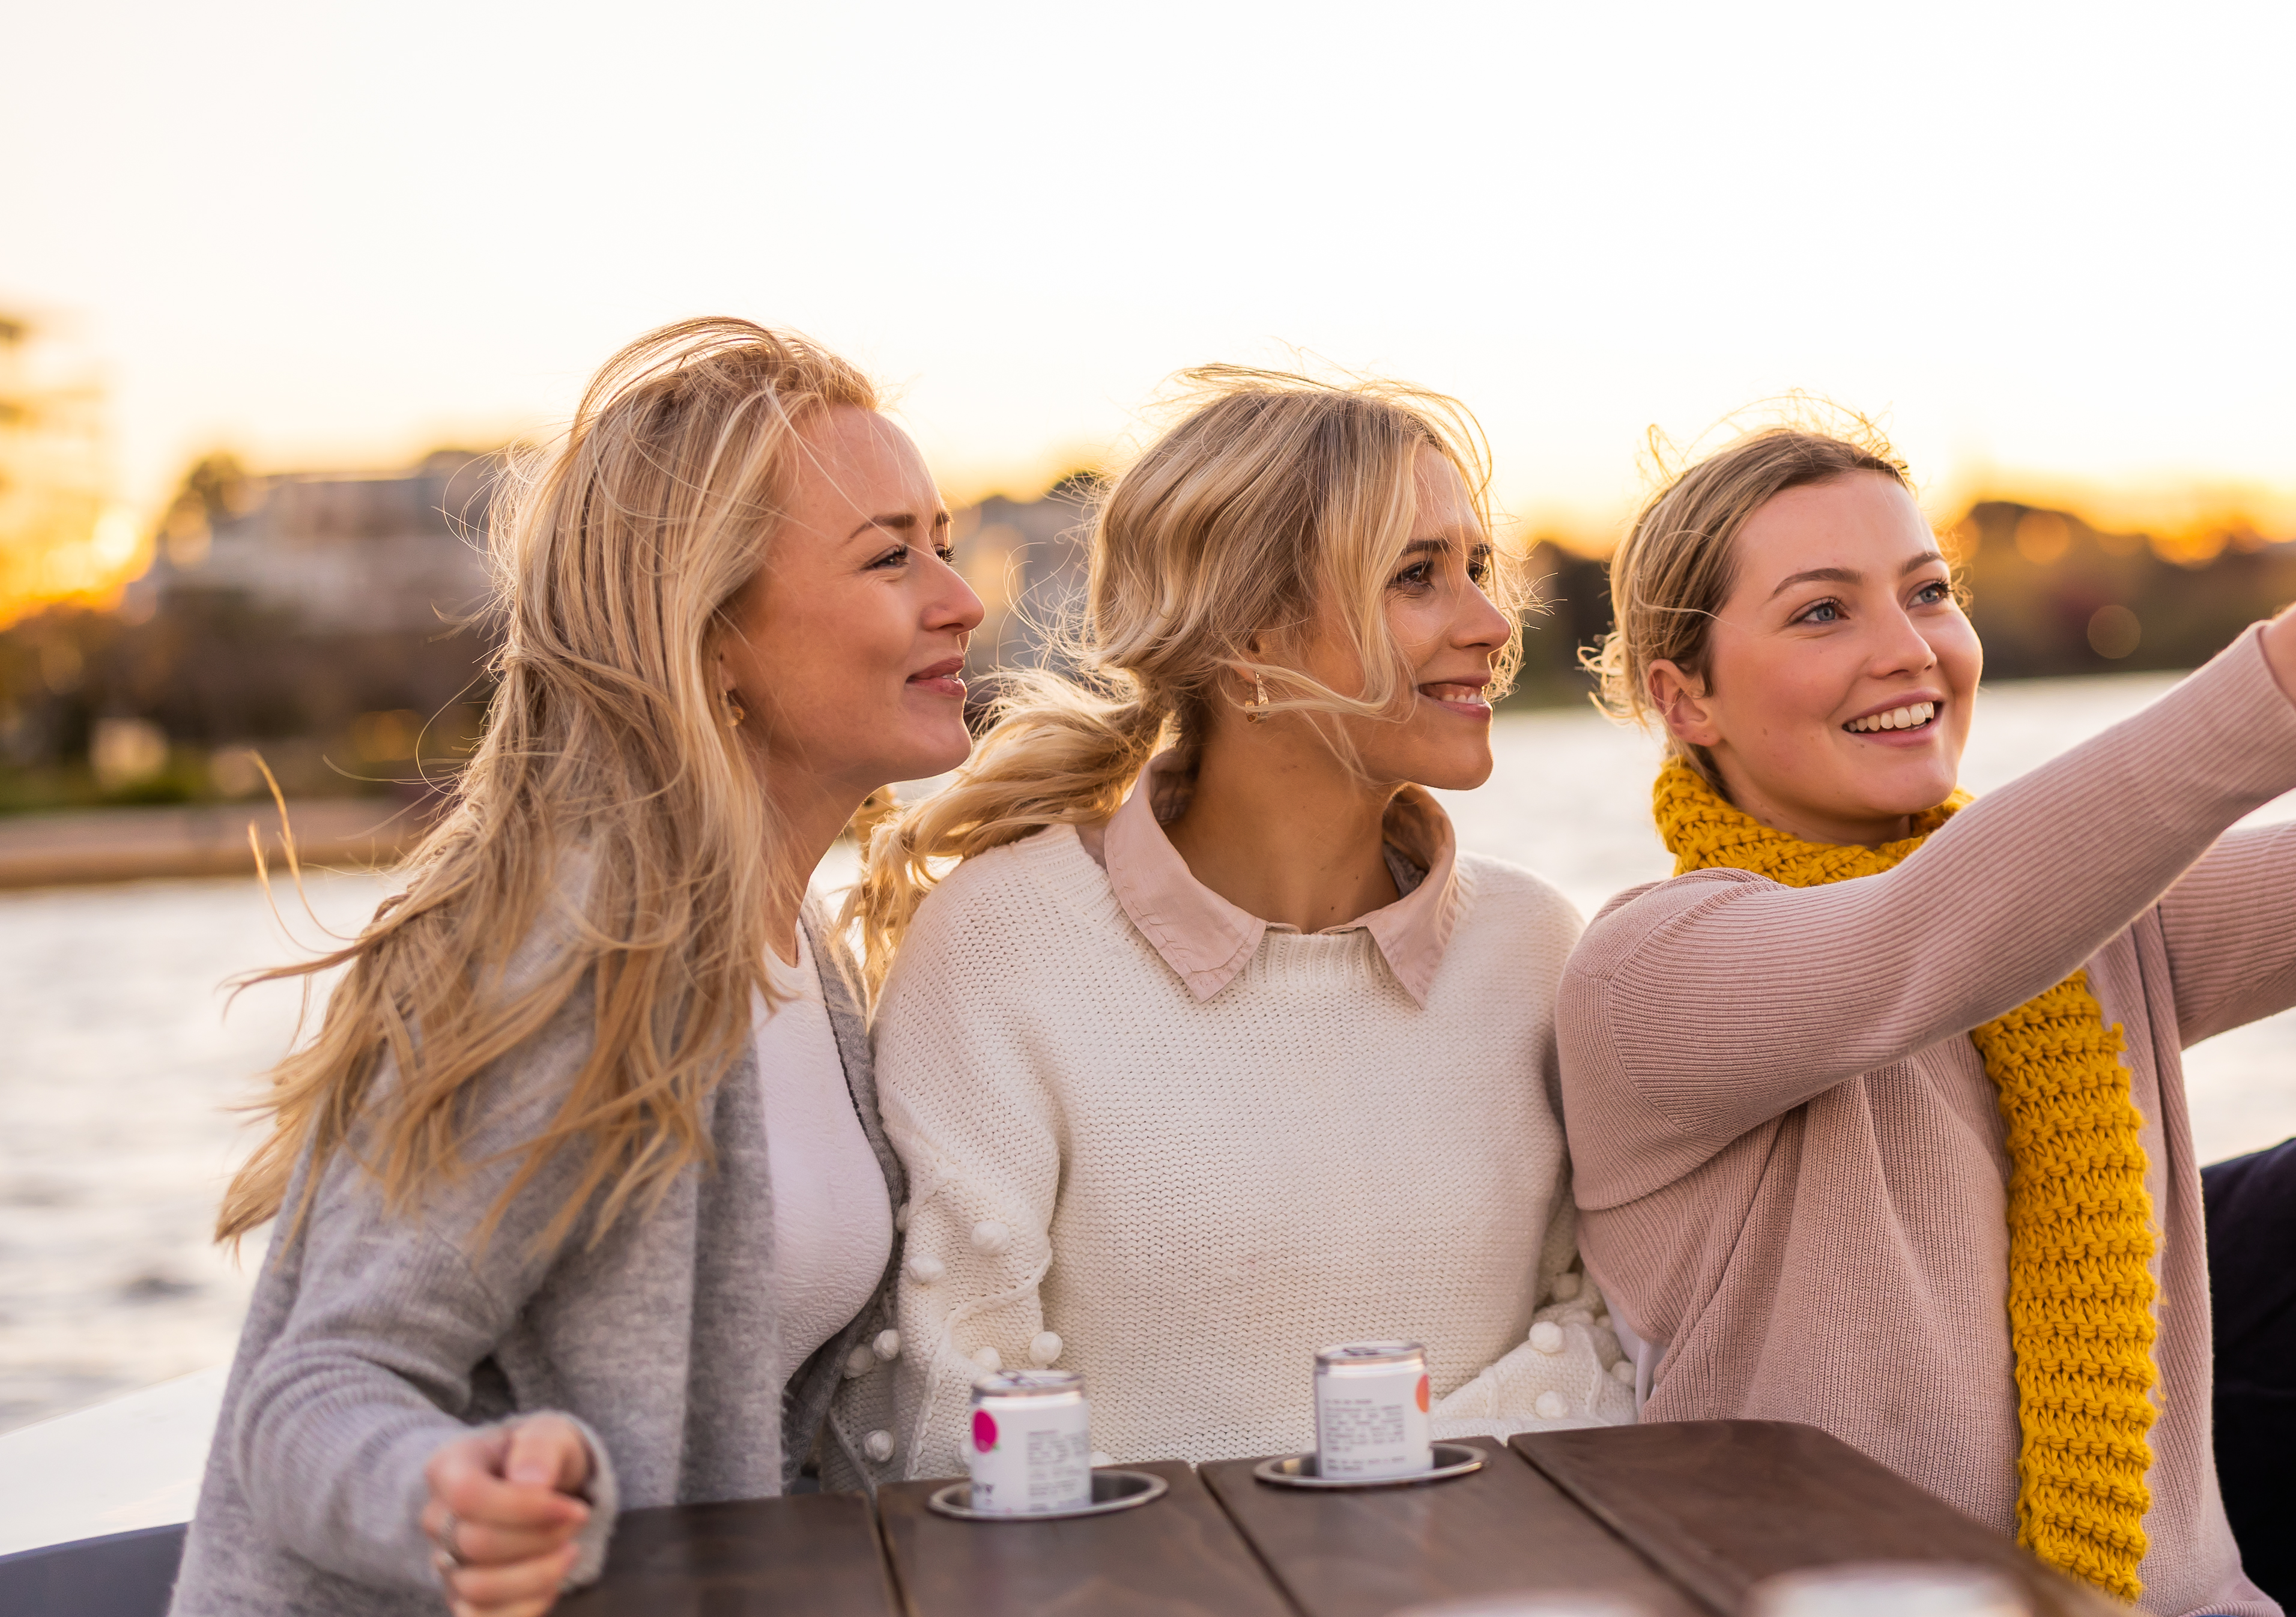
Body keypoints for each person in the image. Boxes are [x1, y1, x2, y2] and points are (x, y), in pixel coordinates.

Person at [1557, 333, 2296, 1616]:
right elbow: (1918, 944)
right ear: (1683, 699)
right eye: (1822, 610)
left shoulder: (2079, 914)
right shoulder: (1651, 975)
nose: (1910, 648)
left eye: (1928, 591)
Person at [174, 319, 983, 1617]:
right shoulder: (579, 942)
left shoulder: (795, 947)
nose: (961, 596)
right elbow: (315, 1393)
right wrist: (457, 1490)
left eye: (944, 542)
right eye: (893, 556)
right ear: (708, 632)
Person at [853, 366, 1626, 1476]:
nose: (1493, 624)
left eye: (1477, 567)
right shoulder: (999, 947)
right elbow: (947, 1407)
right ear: (1252, 636)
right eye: (1419, 576)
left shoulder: (1539, 947)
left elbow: (1599, 1345)